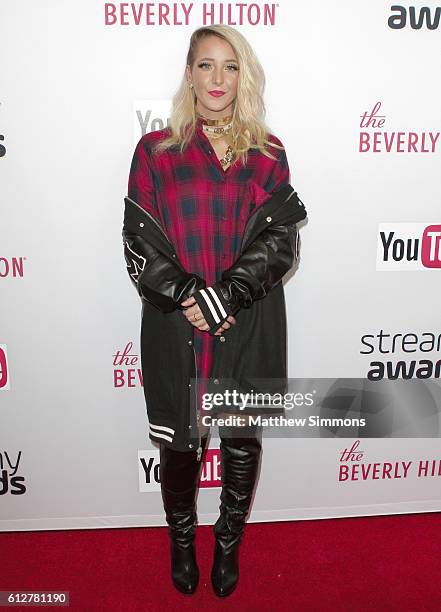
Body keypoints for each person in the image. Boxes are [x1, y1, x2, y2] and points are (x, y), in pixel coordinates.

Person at [122, 24, 307, 597]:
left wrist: (228, 293)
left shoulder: (268, 152)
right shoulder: (156, 152)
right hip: (179, 325)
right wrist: (190, 296)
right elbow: (139, 242)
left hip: (246, 319)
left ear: (242, 75)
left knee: (240, 439)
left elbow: (280, 244)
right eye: (206, 65)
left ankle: (228, 540)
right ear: (189, 74)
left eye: (230, 66)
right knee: (180, 444)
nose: (218, 78)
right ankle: (182, 541)